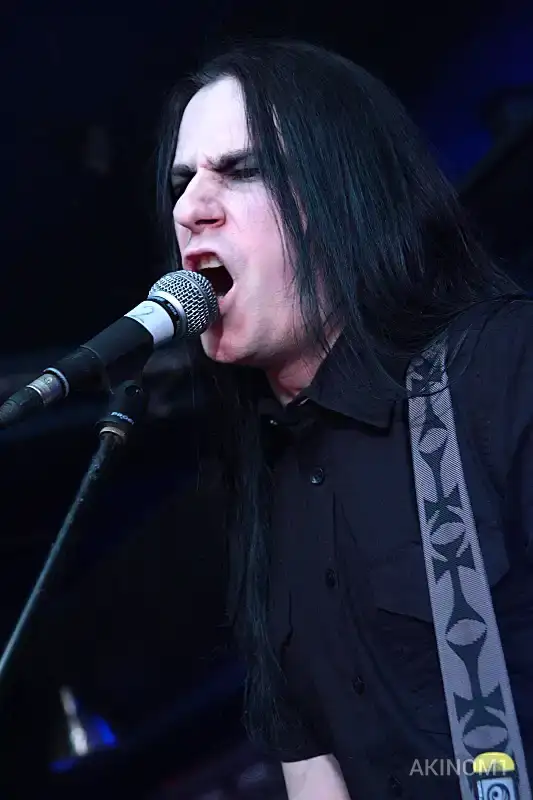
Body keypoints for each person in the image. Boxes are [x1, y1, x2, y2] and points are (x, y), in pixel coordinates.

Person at [155, 39, 533, 799]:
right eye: (181, 181)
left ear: (342, 196)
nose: (190, 208)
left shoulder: (500, 368)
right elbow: (314, 771)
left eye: (240, 169)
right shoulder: (265, 485)